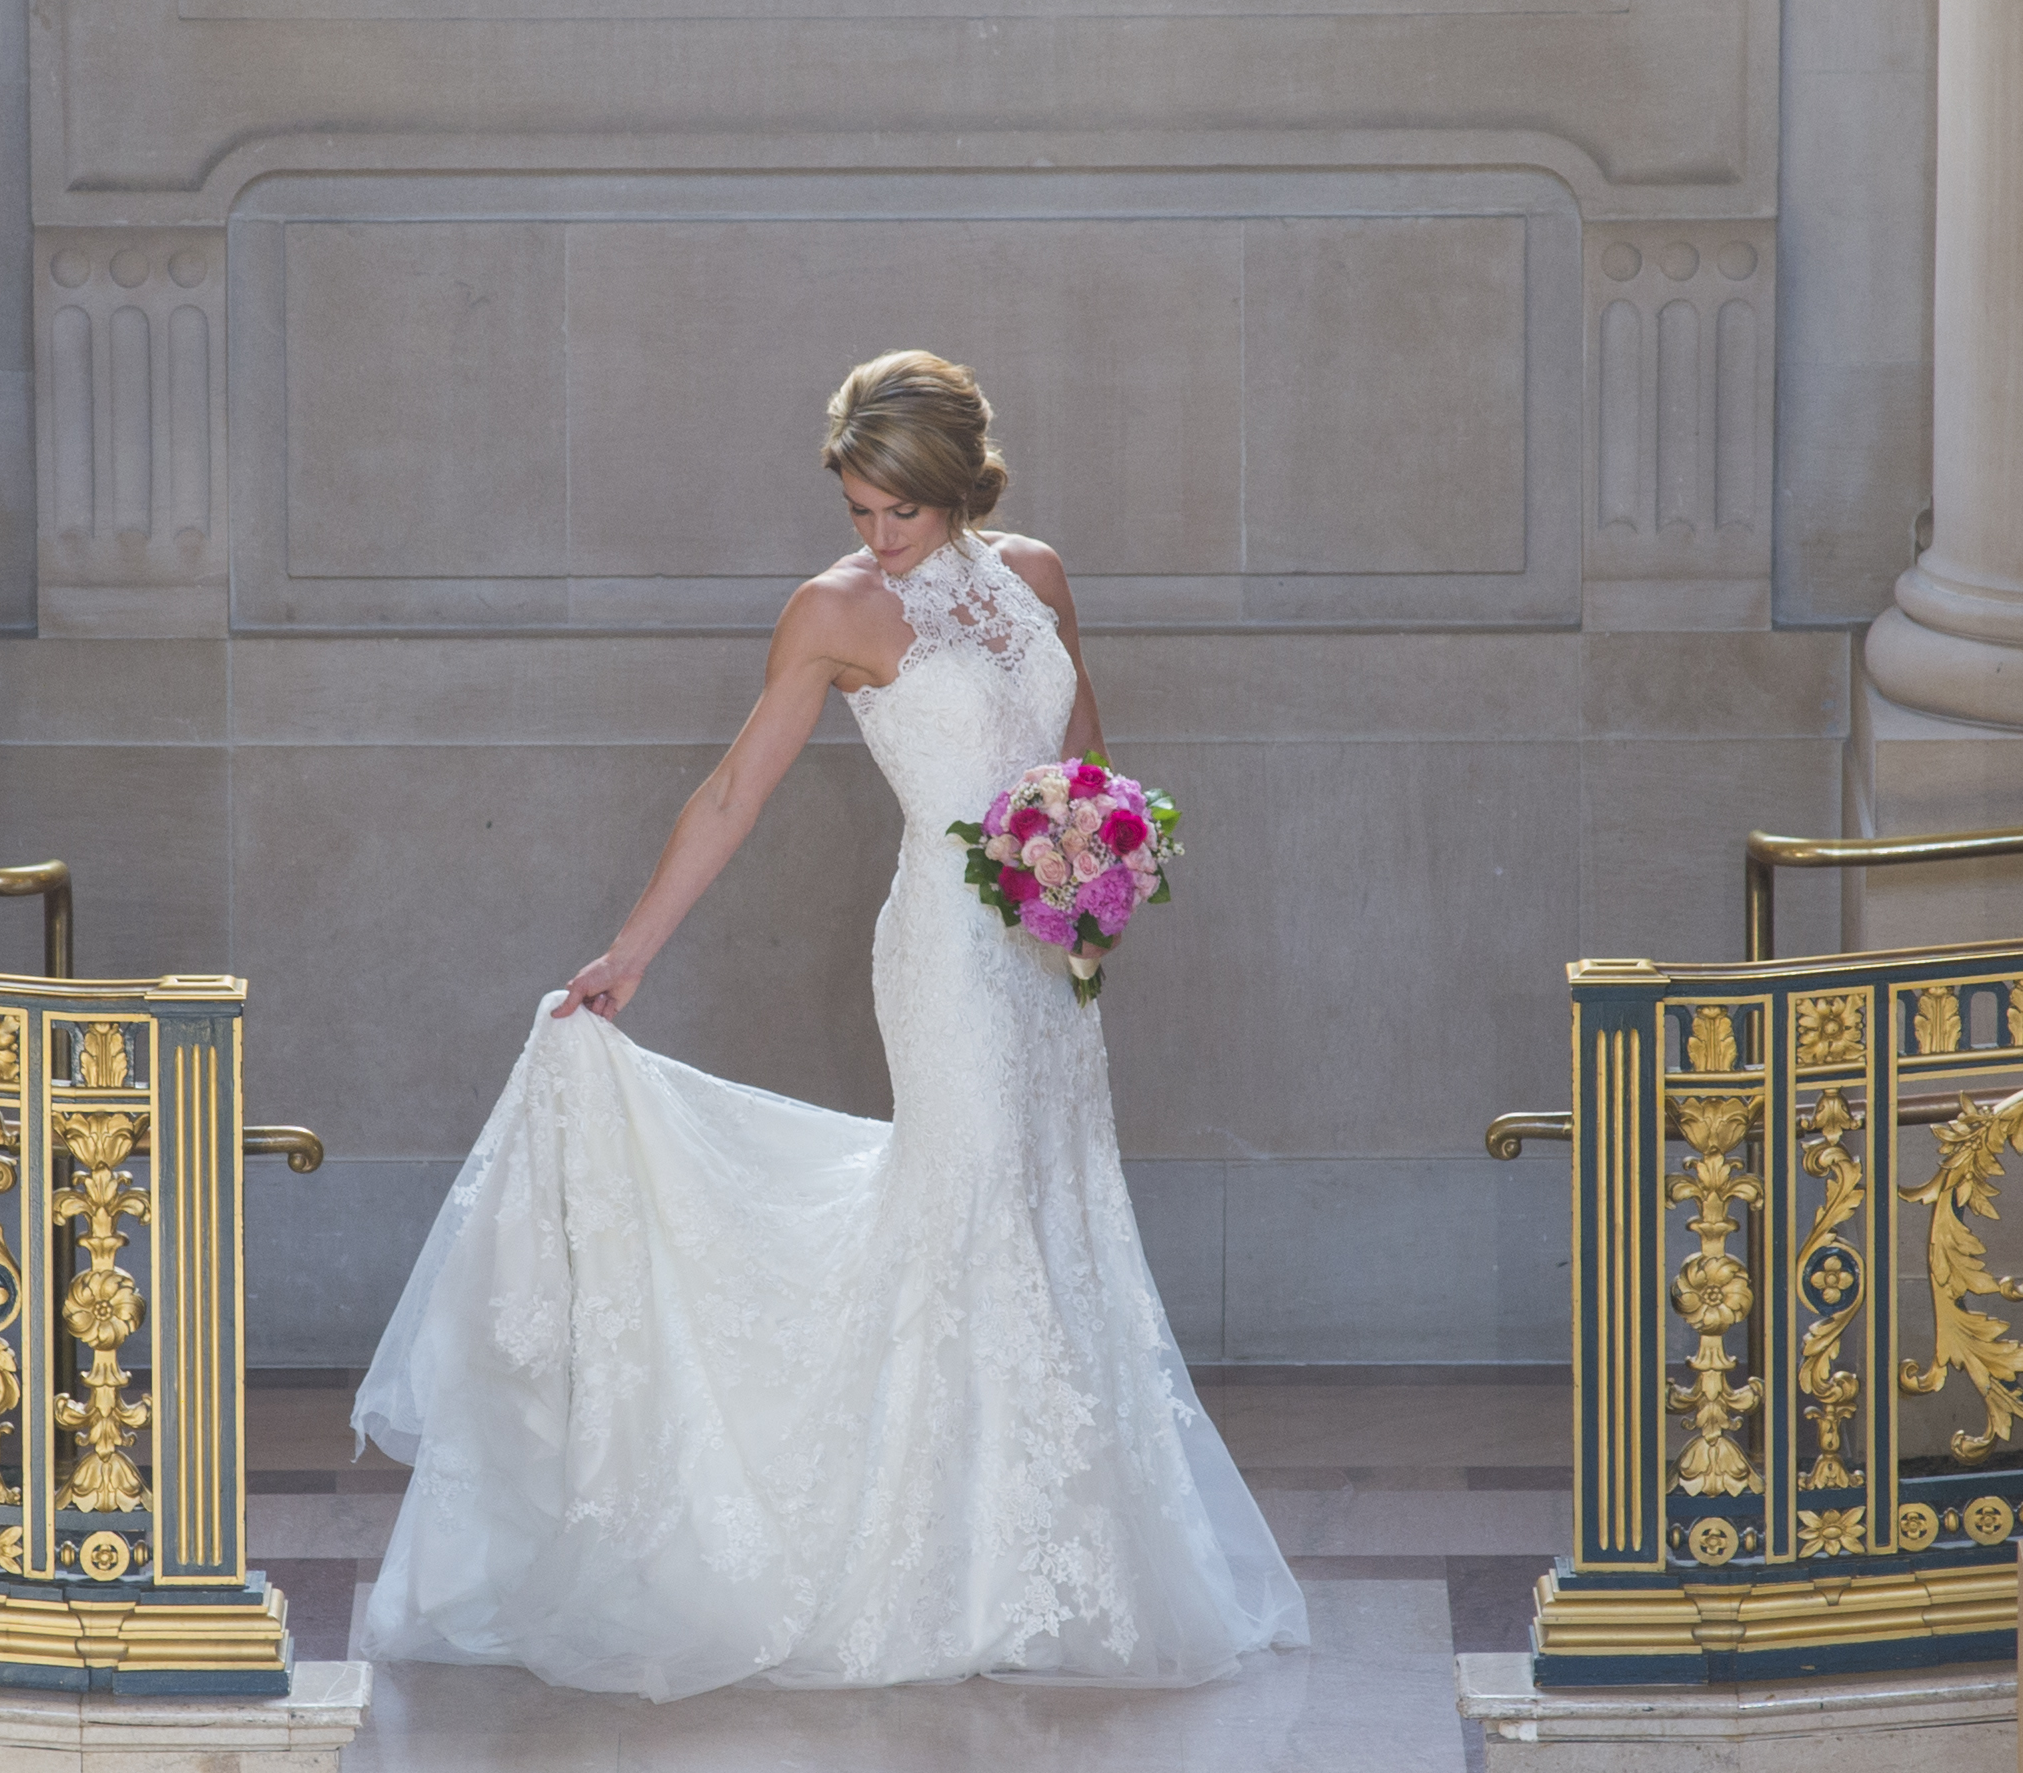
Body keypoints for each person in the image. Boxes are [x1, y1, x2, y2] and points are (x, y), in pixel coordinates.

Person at [350, 351, 1311, 1698]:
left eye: (898, 512)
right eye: (859, 509)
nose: (875, 536)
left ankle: (1045, 1555)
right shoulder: (832, 612)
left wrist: (1100, 864)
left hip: (1048, 960)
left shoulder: (1034, 575)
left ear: (958, 488)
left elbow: (1082, 748)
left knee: (1053, 1209)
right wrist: (629, 952)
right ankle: (942, 1565)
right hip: (946, 958)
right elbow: (738, 788)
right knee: (965, 1203)